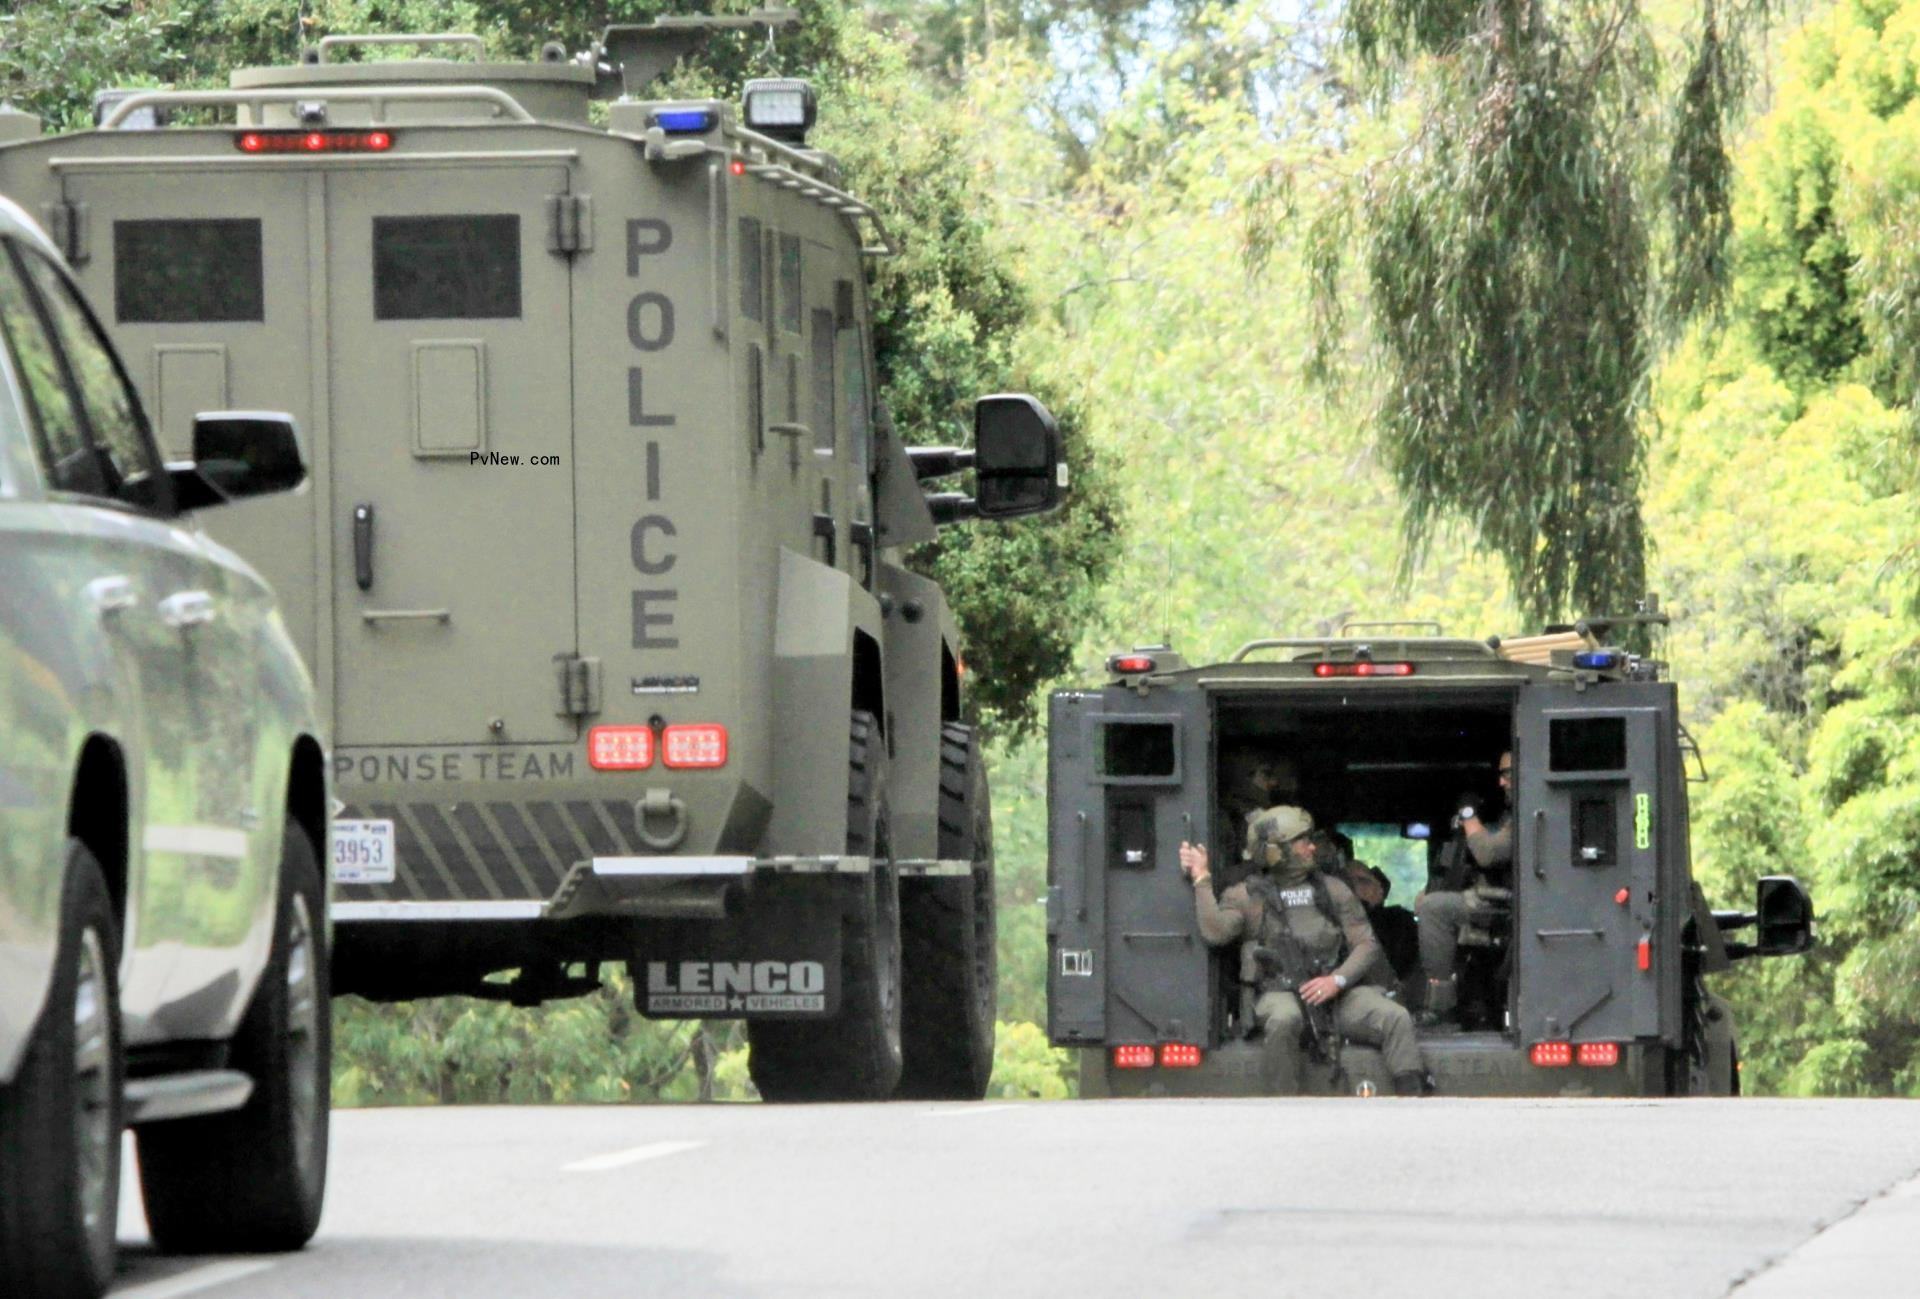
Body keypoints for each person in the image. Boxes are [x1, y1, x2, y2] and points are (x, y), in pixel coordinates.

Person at [1179, 806, 1426, 1096]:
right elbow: (1216, 932)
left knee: (1394, 1017)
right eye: (1302, 842)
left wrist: (1337, 980)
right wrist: (1201, 878)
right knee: (1284, 1019)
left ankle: (1413, 1097)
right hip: (1279, 993)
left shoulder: (1334, 890)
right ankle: (1283, 1103)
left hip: (1336, 994)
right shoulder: (1247, 896)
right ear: (1275, 850)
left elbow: (1366, 943)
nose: (1312, 847)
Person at [1415, 750, 1515, 1027]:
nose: (1502, 783)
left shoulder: (1527, 812)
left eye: (1507, 774)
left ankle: (1440, 1006)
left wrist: (1469, 816)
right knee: (1434, 903)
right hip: (1501, 903)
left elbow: (1487, 853)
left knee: (1434, 910)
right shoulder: (1508, 816)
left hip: (1513, 908)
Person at [1348, 861, 1421, 992]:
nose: (1356, 887)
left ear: (1380, 889)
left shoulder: (1399, 922)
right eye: (1349, 882)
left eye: (1363, 881)